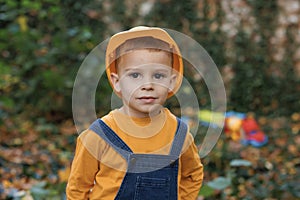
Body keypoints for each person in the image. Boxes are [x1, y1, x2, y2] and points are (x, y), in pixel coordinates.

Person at [66, 26, 203, 200]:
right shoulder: (99, 135)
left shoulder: (179, 134)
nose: (147, 85)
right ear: (117, 82)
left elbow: (193, 175)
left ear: (172, 81)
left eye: (158, 76)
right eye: (135, 75)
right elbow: (78, 188)